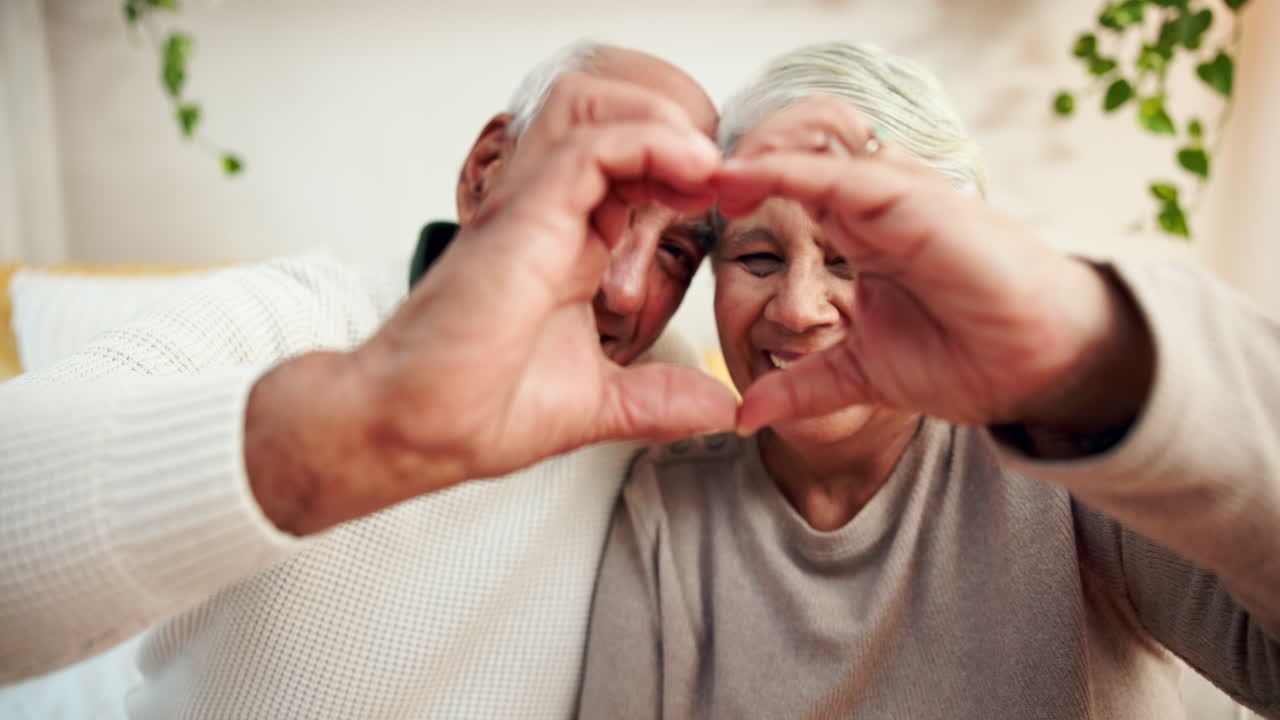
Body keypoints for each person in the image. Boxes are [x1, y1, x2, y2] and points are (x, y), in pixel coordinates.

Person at [0, 43, 738, 717]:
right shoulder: (294, 314)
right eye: (598, 207)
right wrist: (362, 424)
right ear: (486, 174)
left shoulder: (665, 393)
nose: (628, 291)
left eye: (676, 252)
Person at [578, 42, 1280, 719]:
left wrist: (1087, 346)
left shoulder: (1072, 458)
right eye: (758, 257)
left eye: (851, 261)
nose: (797, 307)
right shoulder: (667, 505)